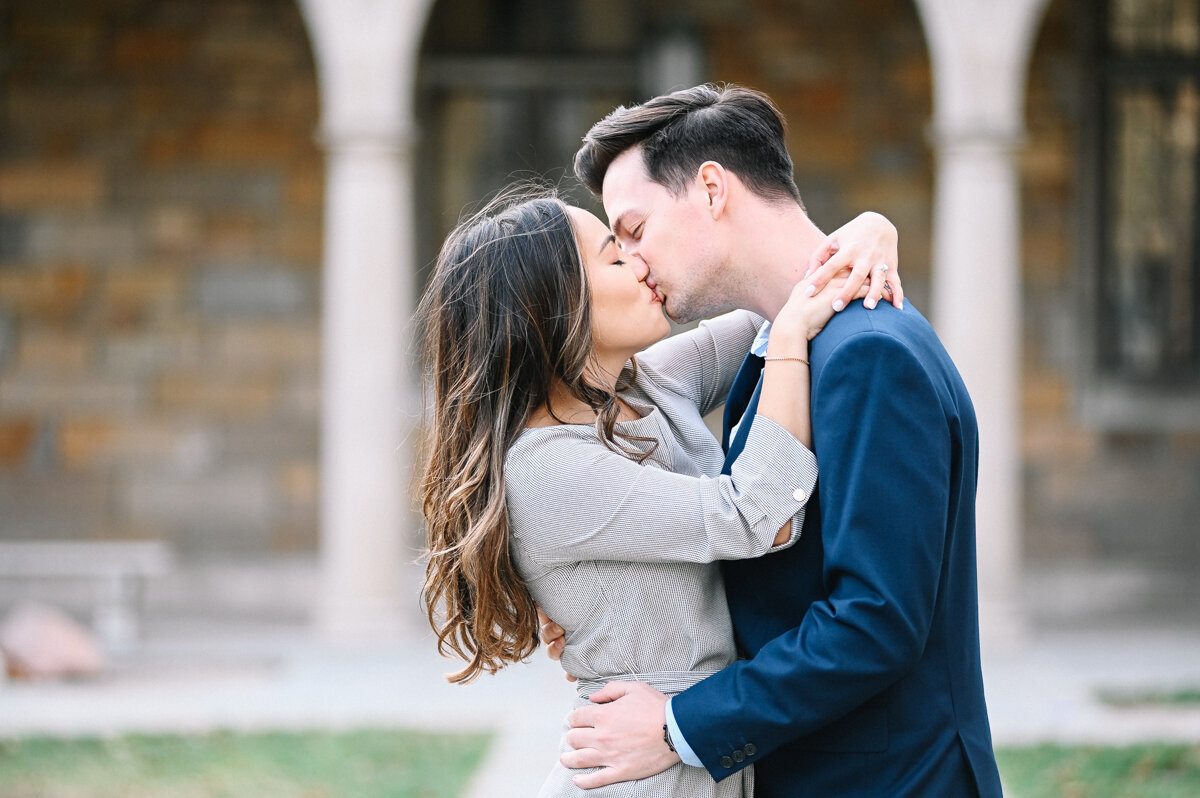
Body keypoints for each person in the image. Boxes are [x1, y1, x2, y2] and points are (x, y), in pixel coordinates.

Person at [541, 84, 1004, 797]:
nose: (633, 263)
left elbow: (875, 622)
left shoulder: (867, 353)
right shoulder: (779, 345)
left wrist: (676, 724)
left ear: (712, 189)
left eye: (634, 230)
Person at [417, 183, 902, 796]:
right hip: (637, 776)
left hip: (698, 760)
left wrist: (872, 230)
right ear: (554, 308)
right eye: (615, 256)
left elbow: (777, 292)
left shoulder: (644, 386)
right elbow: (759, 517)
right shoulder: (548, 470)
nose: (639, 261)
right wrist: (786, 345)